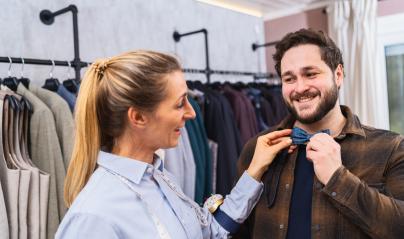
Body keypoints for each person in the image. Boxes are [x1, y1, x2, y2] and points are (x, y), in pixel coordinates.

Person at [55, 50, 294, 239]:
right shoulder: (94, 216)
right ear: (138, 117)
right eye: (180, 104)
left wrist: (254, 172)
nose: (192, 113)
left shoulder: (159, 178)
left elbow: (209, 231)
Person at [235, 29, 404, 239]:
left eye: (310, 74)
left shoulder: (391, 149)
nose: (300, 87)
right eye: (289, 79)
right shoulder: (255, 149)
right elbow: (237, 230)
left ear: (338, 74)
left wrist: (338, 178)